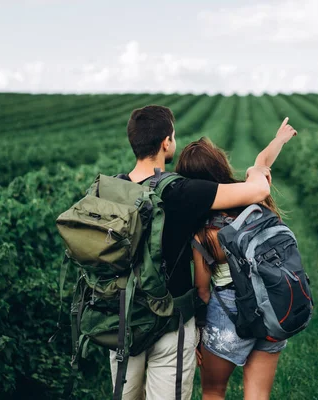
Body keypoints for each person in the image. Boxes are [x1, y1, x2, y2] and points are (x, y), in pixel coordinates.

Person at [109, 104, 296, 400]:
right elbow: (258, 186)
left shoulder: (114, 189)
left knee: (197, 392)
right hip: (239, 307)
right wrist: (258, 165)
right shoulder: (187, 192)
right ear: (166, 142)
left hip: (125, 313)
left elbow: (203, 287)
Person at [175, 119, 297, 400]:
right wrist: (279, 139)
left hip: (227, 313)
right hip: (271, 304)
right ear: (220, 167)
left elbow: (203, 291)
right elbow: (261, 164)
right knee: (258, 396)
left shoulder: (203, 233)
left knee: (214, 392)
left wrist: (198, 333)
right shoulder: (256, 202)